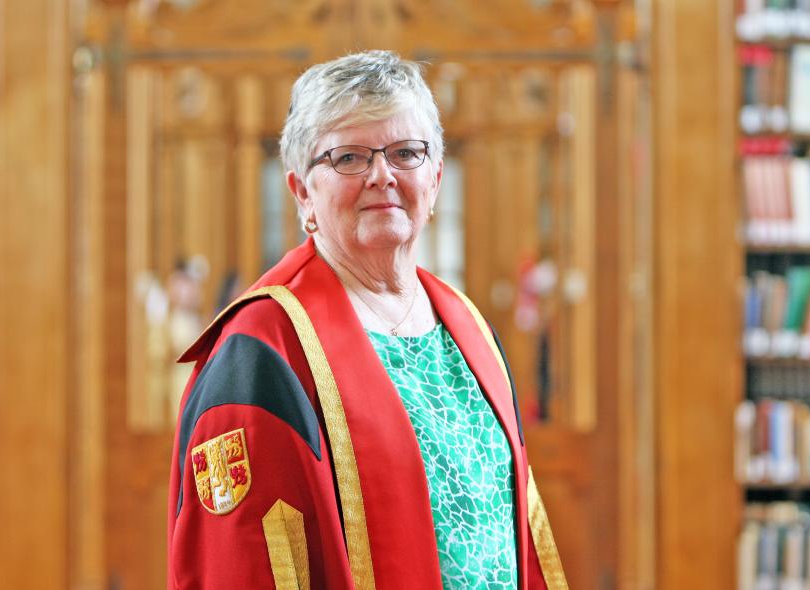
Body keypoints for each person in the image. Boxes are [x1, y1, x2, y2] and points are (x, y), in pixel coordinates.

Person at [167, 50, 567, 590]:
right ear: (302, 192)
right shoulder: (262, 351)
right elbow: (239, 565)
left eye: (406, 152)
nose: (382, 175)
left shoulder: (468, 329)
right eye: (349, 158)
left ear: (436, 178)